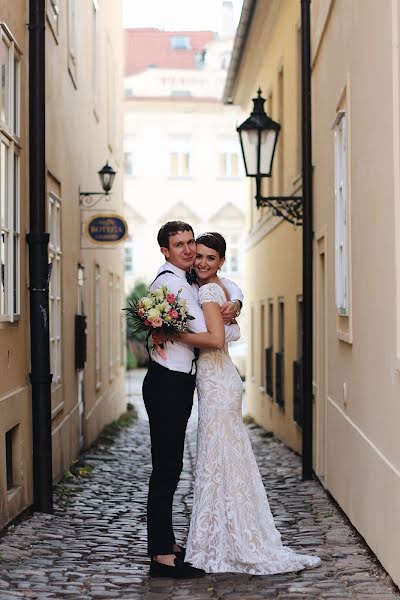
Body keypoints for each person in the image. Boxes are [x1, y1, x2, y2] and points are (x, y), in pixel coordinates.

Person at [180, 232, 321, 575]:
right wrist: (238, 304)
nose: (201, 262)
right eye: (198, 255)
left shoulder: (211, 290)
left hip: (217, 380)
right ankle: (227, 533)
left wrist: (173, 333)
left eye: (209, 258)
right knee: (223, 453)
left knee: (218, 454)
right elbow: (230, 310)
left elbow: (214, 340)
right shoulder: (219, 287)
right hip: (221, 378)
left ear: (221, 262)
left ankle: (224, 540)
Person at [143, 221, 243, 579]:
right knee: (166, 468)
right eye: (180, 245)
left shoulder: (188, 280)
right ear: (165, 251)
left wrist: (235, 302)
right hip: (167, 382)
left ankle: (166, 544)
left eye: (190, 243)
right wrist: (173, 332)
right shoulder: (170, 283)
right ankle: (161, 556)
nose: (187, 250)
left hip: (178, 381)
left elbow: (225, 287)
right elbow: (211, 335)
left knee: (170, 465)